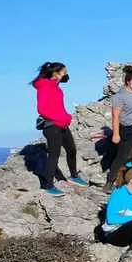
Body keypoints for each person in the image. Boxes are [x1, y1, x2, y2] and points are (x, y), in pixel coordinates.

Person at [32, 62, 88, 196]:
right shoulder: (45, 87)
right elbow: (41, 109)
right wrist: (61, 118)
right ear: (56, 73)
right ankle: (48, 185)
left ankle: (74, 176)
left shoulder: (55, 86)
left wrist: (65, 117)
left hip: (62, 124)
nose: (66, 74)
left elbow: (57, 105)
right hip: (52, 126)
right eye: (64, 72)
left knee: (71, 149)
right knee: (54, 155)